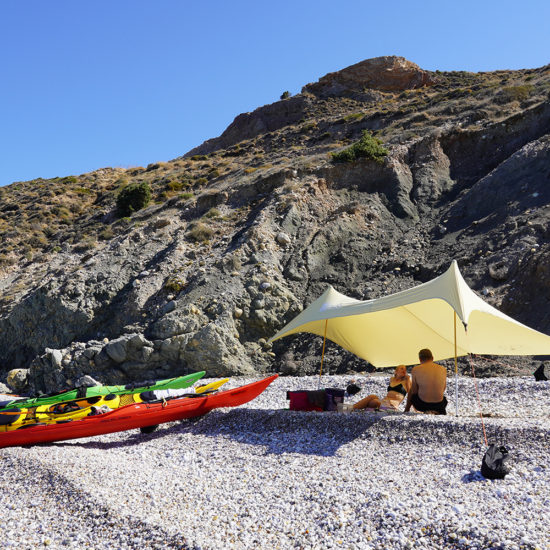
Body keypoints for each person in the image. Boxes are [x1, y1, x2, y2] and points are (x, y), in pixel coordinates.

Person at [404, 348, 447, 415]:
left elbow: (414, 391)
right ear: (432, 358)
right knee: (444, 399)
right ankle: (434, 411)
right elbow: (443, 388)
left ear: (420, 359)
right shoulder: (443, 369)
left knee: (411, 391)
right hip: (439, 405)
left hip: (422, 405)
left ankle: (407, 410)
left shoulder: (416, 369)